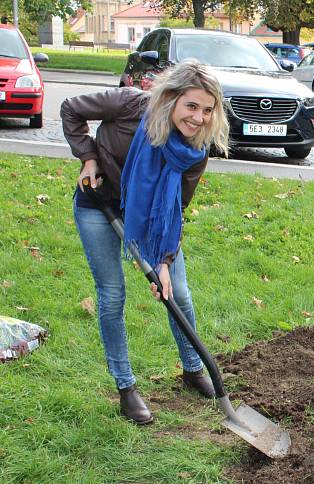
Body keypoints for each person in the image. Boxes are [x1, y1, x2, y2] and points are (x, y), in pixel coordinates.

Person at [61, 60, 229, 424]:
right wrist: (88, 157)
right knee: (112, 293)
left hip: (152, 221)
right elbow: (70, 109)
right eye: (191, 106)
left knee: (178, 292)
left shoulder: (194, 151)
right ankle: (126, 387)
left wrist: (163, 263)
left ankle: (192, 368)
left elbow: (176, 211)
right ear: (171, 98)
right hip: (99, 205)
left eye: (207, 110)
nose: (198, 118)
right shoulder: (129, 105)